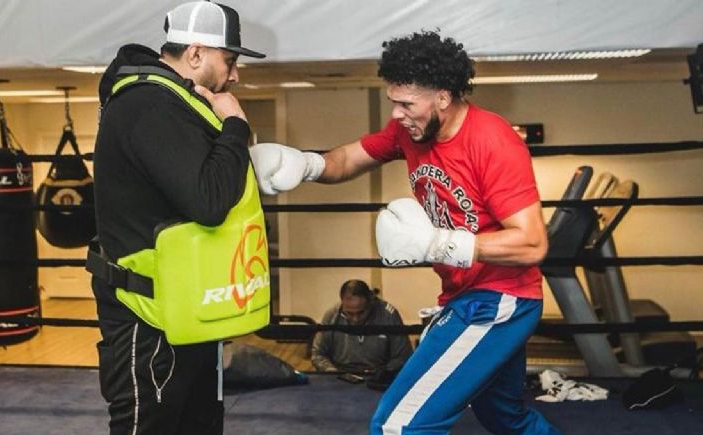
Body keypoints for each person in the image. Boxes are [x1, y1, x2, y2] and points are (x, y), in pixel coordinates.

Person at [250, 31, 561, 434]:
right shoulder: (410, 131)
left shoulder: (491, 141)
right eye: (393, 101)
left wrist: (439, 244)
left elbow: (532, 242)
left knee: (399, 426)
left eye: (407, 104)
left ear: (443, 97)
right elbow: (348, 159)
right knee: (507, 419)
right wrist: (306, 164)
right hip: (464, 294)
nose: (397, 113)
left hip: (498, 300)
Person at [88, 2, 265, 434]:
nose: (234, 75)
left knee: (199, 424)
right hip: (147, 316)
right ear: (196, 53)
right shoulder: (148, 105)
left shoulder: (175, 103)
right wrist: (235, 125)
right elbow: (209, 202)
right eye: (230, 60)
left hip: (184, 306)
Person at [311, 279, 412, 375]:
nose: (355, 319)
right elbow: (318, 354)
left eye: (361, 313)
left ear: (370, 302)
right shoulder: (331, 316)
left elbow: (402, 356)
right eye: (349, 313)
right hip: (340, 375)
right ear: (342, 303)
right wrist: (333, 372)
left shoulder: (388, 315)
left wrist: (383, 373)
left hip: (380, 375)